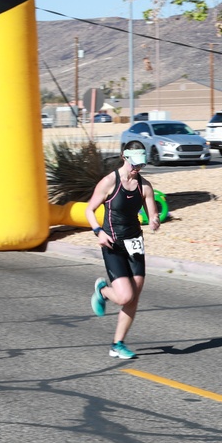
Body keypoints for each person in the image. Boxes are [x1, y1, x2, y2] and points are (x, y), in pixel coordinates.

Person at [85, 148, 161, 359]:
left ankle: (117, 344)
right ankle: (102, 291)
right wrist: (98, 231)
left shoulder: (144, 186)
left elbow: (153, 214)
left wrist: (155, 221)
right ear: (124, 158)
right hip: (113, 244)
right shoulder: (109, 182)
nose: (137, 168)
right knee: (124, 296)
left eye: (141, 164)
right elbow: (89, 210)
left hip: (135, 243)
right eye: (134, 164)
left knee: (134, 297)